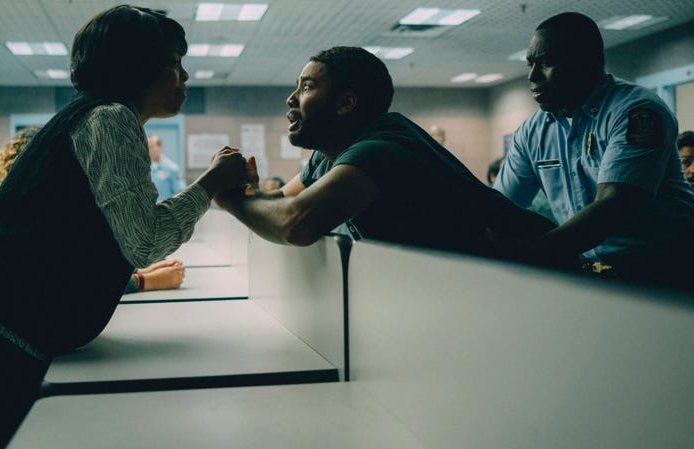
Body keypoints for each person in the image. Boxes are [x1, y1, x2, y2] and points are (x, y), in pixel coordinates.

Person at [0, 6, 247, 448]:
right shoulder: (111, 118)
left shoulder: (92, 115)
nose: (185, 77)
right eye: (174, 63)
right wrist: (210, 185)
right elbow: (145, 239)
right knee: (36, 439)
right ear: (137, 65)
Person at [215, 46, 567, 268]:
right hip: (478, 286)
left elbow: (296, 222)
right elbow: (279, 202)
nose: (292, 99)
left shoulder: (379, 150)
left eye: (306, 87)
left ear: (345, 104)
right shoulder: (331, 155)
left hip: (539, 277)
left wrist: (231, 200)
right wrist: (252, 194)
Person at [493, 12, 694, 288]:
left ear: (589, 62)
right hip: (594, 275)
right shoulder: (532, 132)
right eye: (530, 64)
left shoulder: (637, 111)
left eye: (546, 62)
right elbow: (501, 207)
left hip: (664, 268)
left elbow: (614, 206)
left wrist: (532, 253)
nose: (532, 75)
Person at [0, 126, 186, 294]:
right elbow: (75, 283)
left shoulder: (26, 207)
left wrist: (138, 271)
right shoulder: (30, 219)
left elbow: (85, 264)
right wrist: (145, 281)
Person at [148, 133, 185, 201]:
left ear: (160, 147)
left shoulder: (172, 168)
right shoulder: (146, 168)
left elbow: (180, 192)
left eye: (151, 147)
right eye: (147, 147)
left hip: (166, 209)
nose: (149, 150)